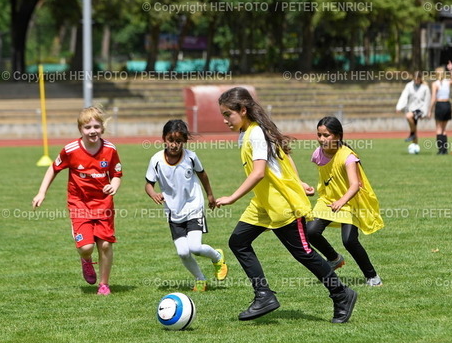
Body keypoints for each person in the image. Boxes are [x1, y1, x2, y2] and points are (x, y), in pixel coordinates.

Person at [215, 87, 357, 323]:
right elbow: (282, 155)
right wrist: (299, 181)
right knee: (238, 242)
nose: (225, 120)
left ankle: (341, 294)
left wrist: (232, 197)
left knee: (304, 254)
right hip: (263, 203)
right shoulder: (247, 133)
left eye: (228, 114)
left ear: (243, 110)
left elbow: (259, 172)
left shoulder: (257, 133)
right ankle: (263, 295)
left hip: (281, 204)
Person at [32, 106, 123, 295]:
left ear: (102, 128)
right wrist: (42, 192)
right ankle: (86, 260)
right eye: (88, 127)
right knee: (86, 247)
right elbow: (53, 169)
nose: (92, 131)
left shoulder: (110, 150)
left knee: (105, 244)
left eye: (96, 127)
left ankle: (104, 285)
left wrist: (114, 185)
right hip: (79, 204)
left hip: (103, 204)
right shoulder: (71, 150)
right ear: (80, 129)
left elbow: (116, 174)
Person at [145, 119, 228, 292]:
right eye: (170, 140)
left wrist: (210, 195)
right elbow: (148, 184)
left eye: (179, 141)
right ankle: (200, 279)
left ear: (184, 142)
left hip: (193, 207)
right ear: (163, 139)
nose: (174, 145)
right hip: (173, 212)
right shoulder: (156, 160)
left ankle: (217, 256)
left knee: (195, 247)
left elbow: (203, 175)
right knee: (183, 252)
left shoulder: (191, 157)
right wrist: (153, 193)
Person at [307, 116, 384, 287]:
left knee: (349, 241)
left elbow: (355, 185)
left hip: (351, 201)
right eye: (319, 135)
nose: (321, 139)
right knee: (311, 231)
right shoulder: (317, 155)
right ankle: (334, 259)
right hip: (328, 200)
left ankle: (372, 277)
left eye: (326, 135)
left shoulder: (348, 157)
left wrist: (342, 201)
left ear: (338, 136)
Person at [429, 61, 452, 154]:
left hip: (440, 105)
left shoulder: (435, 84)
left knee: (438, 129)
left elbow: (433, 98)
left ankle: (440, 149)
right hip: (447, 105)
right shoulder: (447, 82)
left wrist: (430, 110)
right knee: (444, 129)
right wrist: (451, 70)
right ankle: (445, 149)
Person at [395, 71, 431, 143]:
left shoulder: (425, 88)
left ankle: (412, 134)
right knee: (414, 126)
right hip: (411, 109)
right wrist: (399, 107)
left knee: (408, 116)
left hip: (420, 109)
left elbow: (427, 100)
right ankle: (415, 145)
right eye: (415, 80)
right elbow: (404, 96)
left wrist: (426, 113)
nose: (416, 81)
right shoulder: (409, 86)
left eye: (418, 79)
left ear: (420, 79)